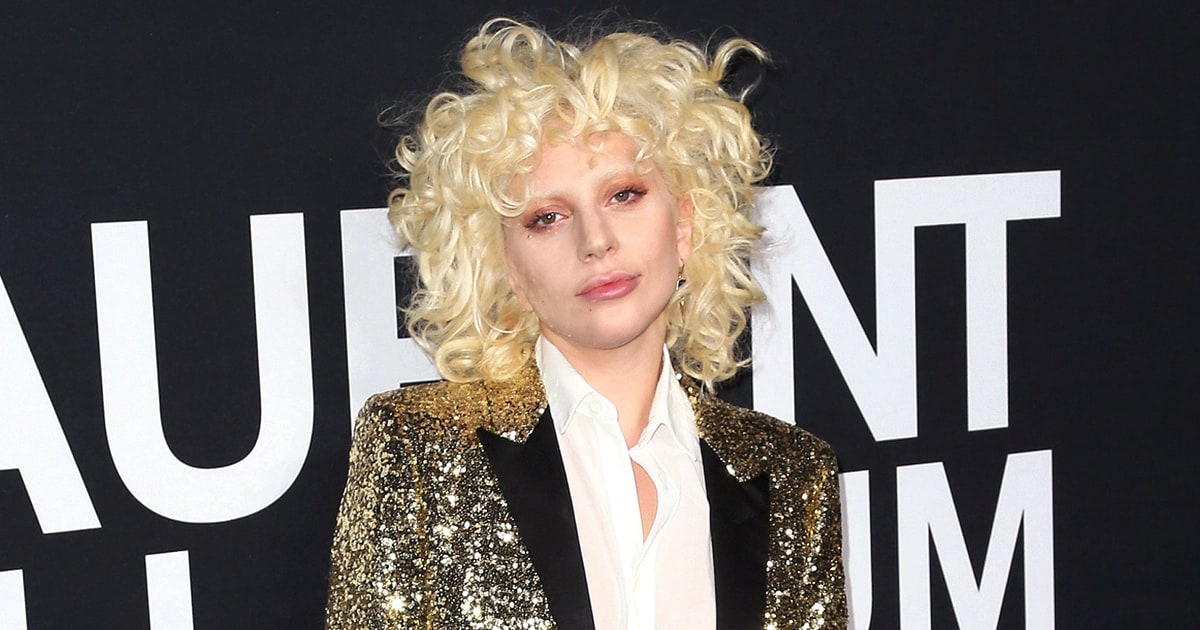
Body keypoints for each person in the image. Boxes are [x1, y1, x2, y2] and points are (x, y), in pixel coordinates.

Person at [326, 17, 846, 630]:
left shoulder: (793, 473)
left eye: (623, 194)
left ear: (684, 225)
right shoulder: (419, 449)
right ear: (506, 268)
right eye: (547, 217)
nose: (596, 241)